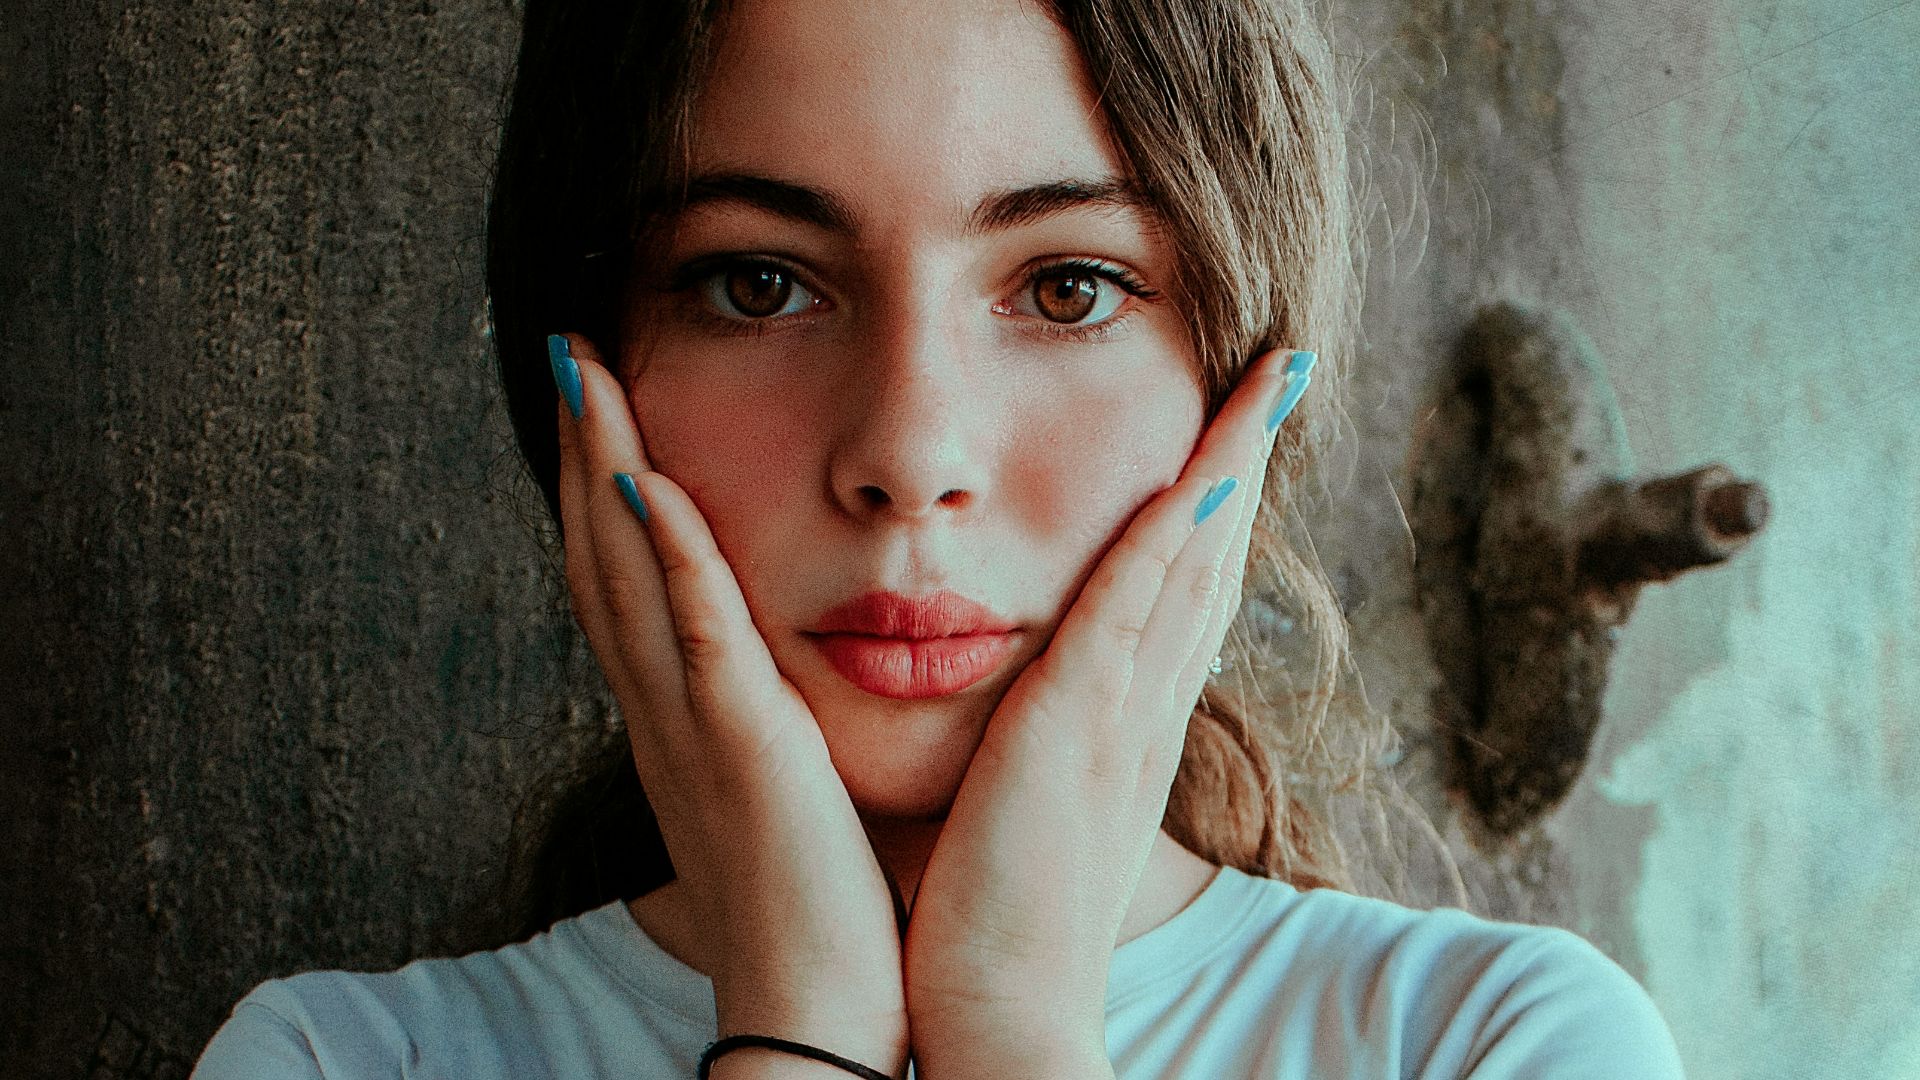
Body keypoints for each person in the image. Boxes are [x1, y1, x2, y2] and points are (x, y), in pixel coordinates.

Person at [193, 0, 1688, 1076]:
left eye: (1068, 290)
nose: (910, 455)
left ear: (1240, 385)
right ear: (579, 368)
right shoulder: (344, 1061)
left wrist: (1015, 1025)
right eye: (761, 285)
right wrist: (799, 1026)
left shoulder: (1495, 1046)